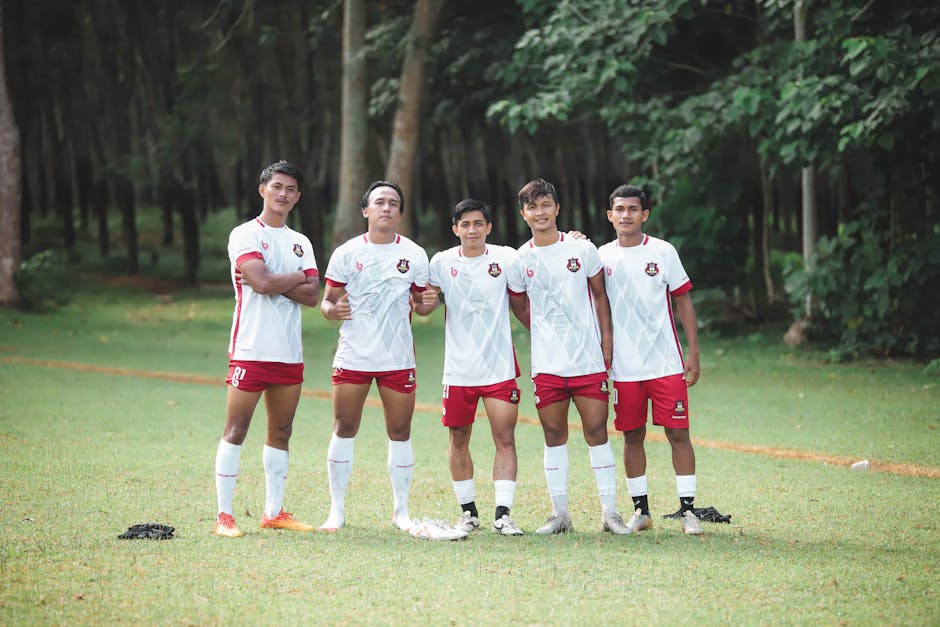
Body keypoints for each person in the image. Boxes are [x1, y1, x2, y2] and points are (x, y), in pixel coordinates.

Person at [506, 178, 632, 535]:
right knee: (553, 433)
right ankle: (560, 514)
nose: (540, 212)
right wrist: (541, 329)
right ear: (524, 214)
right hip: (547, 364)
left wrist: (606, 339)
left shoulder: (582, 250)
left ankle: (611, 513)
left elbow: (600, 296)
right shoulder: (521, 259)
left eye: (546, 204)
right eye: (533, 207)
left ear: (557, 209)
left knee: (596, 431)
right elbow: (517, 301)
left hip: (587, 359)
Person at [318, 180, 437, 532]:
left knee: (400, 431)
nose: (386, 208)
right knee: (344, 427)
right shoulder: (346, 253)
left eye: (393, 203)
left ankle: (401, 512)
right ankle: (336, 511)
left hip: (397, 359)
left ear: (400, 212)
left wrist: (426, 304)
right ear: (365, 211)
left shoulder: (414, 254)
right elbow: (327, 301)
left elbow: (421, 304)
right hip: (354, 356)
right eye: (380, 202)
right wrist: (330, 311)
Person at [214, 160, 320, 538]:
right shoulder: (244, 234)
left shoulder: (300, 242)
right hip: (250, 348)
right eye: (277, 186)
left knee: (281, 430)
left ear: (297, 197)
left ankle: (273, 511)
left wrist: (277, 279)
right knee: (236, 428)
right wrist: (293, 278)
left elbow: (312, 295)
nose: (283, 194)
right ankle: (224, 516)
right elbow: (258, 283)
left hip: (288, 352)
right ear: (263, 190)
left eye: (291, 189)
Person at [598, 184, 704, 535]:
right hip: (624, 367)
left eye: (633, 209)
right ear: (610, 215)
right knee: (632, 436)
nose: (625, 215)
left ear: (644, 214)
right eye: (619, 209)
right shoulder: (600, 256)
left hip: (666, 364)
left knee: (678, 433)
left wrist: (693, 352)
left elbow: (683, 301)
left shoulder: (663, 251)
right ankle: (641, 511)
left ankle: (688, 511)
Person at [427, 199, 525, 537]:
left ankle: (503, 514)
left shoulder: (506, 257)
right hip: (458, 370)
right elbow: (425, 300)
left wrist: (574, 239)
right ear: (455, 229)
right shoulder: (440, 262)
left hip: (498, 368)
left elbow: (539, 257)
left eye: (478, 224)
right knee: (457, 437)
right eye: (465, 224)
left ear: (488, 228)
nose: (472, 230)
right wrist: (422, 303)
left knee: (505, 436)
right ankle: (468, 513)